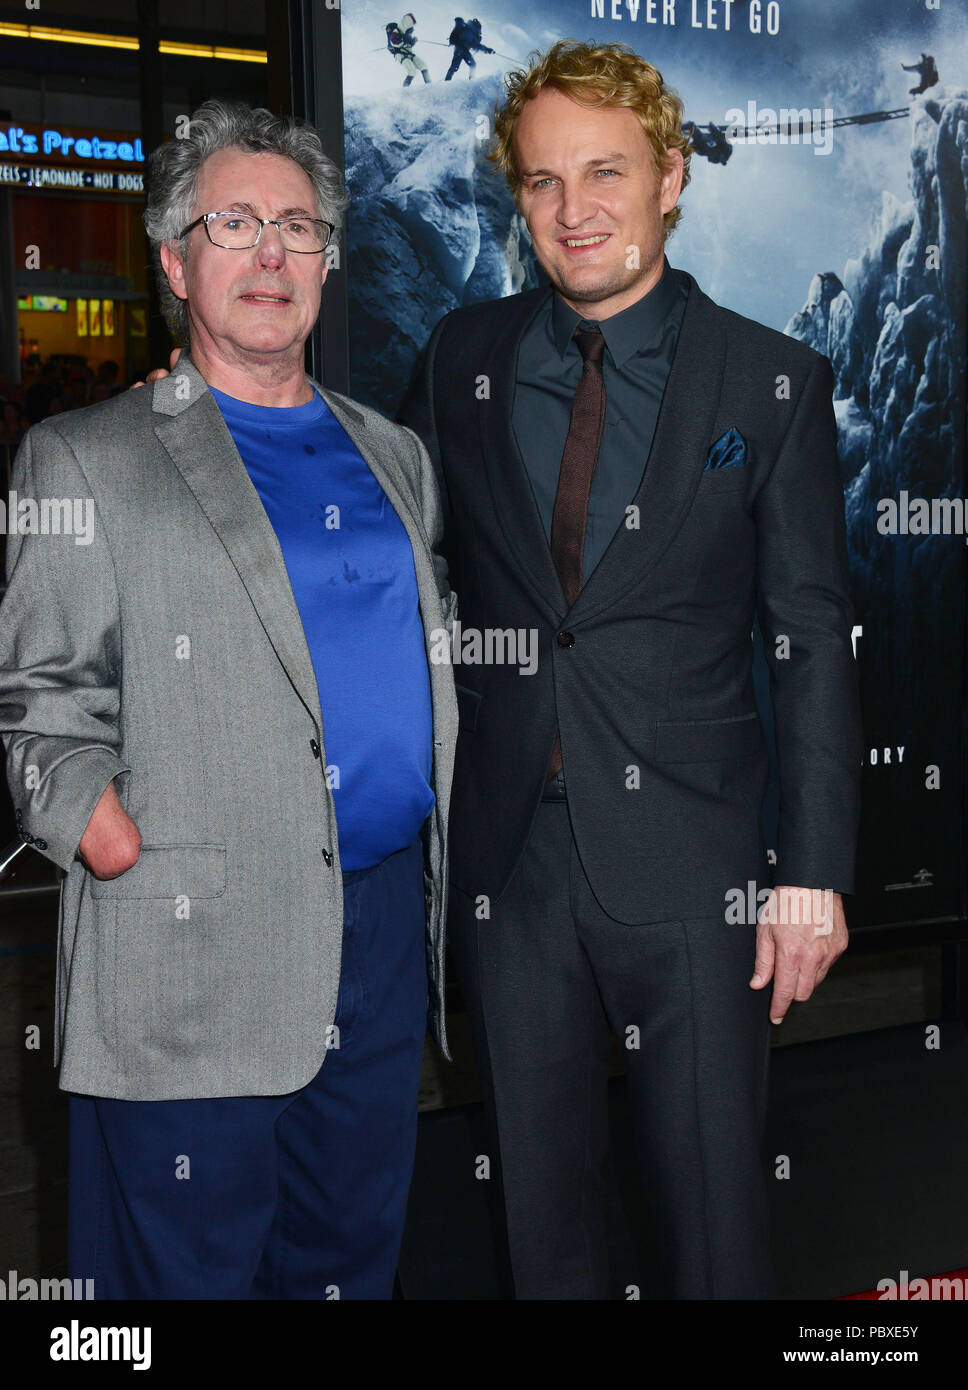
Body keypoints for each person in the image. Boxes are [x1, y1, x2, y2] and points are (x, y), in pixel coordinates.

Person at [400, 40, 862, 1299]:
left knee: (713, 1230)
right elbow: (391, 525)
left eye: (604, 171)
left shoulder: (769, 380)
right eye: (542, 182)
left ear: (670, 178)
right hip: (512, 872)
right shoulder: (462, 360)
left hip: (696, 875)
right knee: (538, 1234)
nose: (573, 209)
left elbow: (810, 632)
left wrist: (811, 870)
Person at [0, 99, 457, 1300]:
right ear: (172, 258)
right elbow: (37, 694)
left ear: (327, 261)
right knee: (178, 1282)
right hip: (184, 944)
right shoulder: (86, 456)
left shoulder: (391, 453)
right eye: (236, 222)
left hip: (375, 944)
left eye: (298, 228)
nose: (269, 255)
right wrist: (98, 833)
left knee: (345, 1264)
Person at [386, 13, 431, 87]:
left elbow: (409, 44)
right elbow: (395, 43)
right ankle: (405, 88)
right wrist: (408, 41)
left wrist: (413, 41)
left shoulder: (405, 32)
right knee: (412, 71)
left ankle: (429, 84)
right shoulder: (396, 33)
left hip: (409, 53)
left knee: (423, 65)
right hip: (400, 54)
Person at [445, 17, 494, 81]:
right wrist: (487, 50)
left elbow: (474, 45)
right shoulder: (470, 32)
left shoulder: (468, 29)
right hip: (461, 50)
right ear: (477, 27)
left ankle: (447, 80)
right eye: (480, 29)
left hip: (460, 50)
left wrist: (487, 50)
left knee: (455, 67)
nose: (480, 32)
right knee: (471, 64)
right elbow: (475, 45)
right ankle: (471, 80)